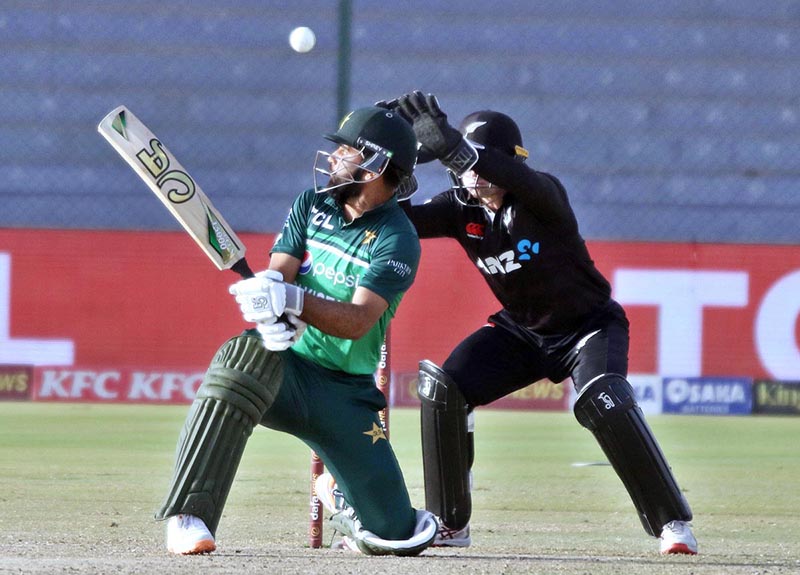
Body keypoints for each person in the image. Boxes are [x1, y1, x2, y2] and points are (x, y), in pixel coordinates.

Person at [390, 91, 698, 555]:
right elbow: (398, 223)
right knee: (444, 387)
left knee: (605, 399)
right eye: (464, 168)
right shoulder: (460, 207)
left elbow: (515, 176)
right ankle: (451, 523)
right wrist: (393, 175)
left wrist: (459, 150)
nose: (475, 177)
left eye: (483, 164)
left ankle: (671, 523)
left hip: (589, 326)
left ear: (508, 162)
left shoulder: (542, 195)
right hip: (524, 333)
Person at [155, 105, 438, 557]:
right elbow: (279, 276)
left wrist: (294, 302)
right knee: (239, 357)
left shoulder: (397, 237)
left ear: (378, 165)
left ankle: (340, 496)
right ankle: (191, 513)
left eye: (347, 150)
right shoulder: (311, 204)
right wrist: (269, 302)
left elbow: (359, 319)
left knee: (396, 535)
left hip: (344, 394)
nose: (335, 157)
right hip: (285, 371)